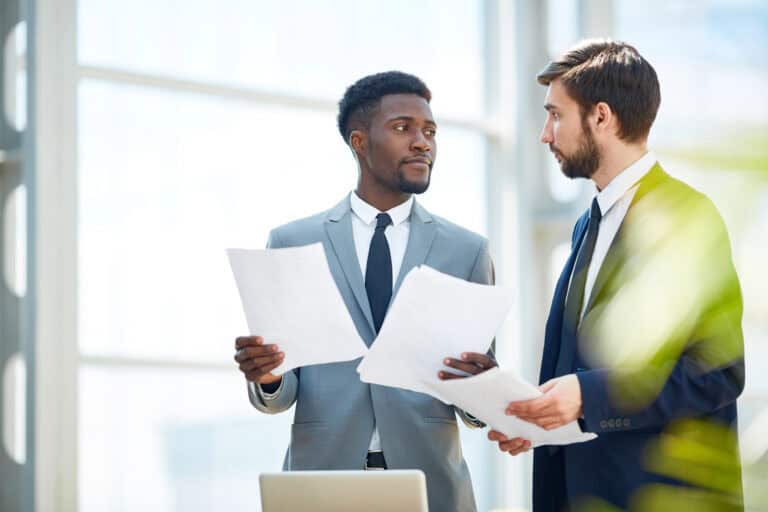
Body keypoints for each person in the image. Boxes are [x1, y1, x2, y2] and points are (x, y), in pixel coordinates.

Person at [487, 40, 745, 511]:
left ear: (601, 117)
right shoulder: (590, 221)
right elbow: (583, 367)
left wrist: (586, 395)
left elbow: (716, 374)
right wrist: (542, 419)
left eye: (555, 116)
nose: (545, 135)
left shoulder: (687, 217)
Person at [233, 71, 496, 512]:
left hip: (432, 487)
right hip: (320, 484)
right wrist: (268, 374)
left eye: (429, 131)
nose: (422, 142)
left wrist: (482, 387)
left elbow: (474, 404)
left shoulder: (467, 251)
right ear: (359, 141)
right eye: (402, 128)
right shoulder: (293, 243)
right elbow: (281, 392)